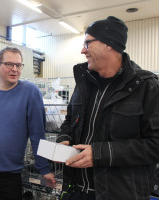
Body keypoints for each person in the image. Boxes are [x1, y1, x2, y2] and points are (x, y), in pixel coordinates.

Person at [56, 16, 159, 200]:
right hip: (75, 191)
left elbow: (155, 144)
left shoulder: (145, 86)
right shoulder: (84, 82)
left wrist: (101, 154)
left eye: (87, 43)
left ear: (109, 44)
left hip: (119, 194)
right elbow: (70, 120)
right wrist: (65, 138)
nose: (82, 50)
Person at [0, 47, 56, 200]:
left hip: (10, 174)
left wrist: (43, 168)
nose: (15, 70)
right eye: (9, 65)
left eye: (18, 65)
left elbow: (37, 134)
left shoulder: (30, 92)